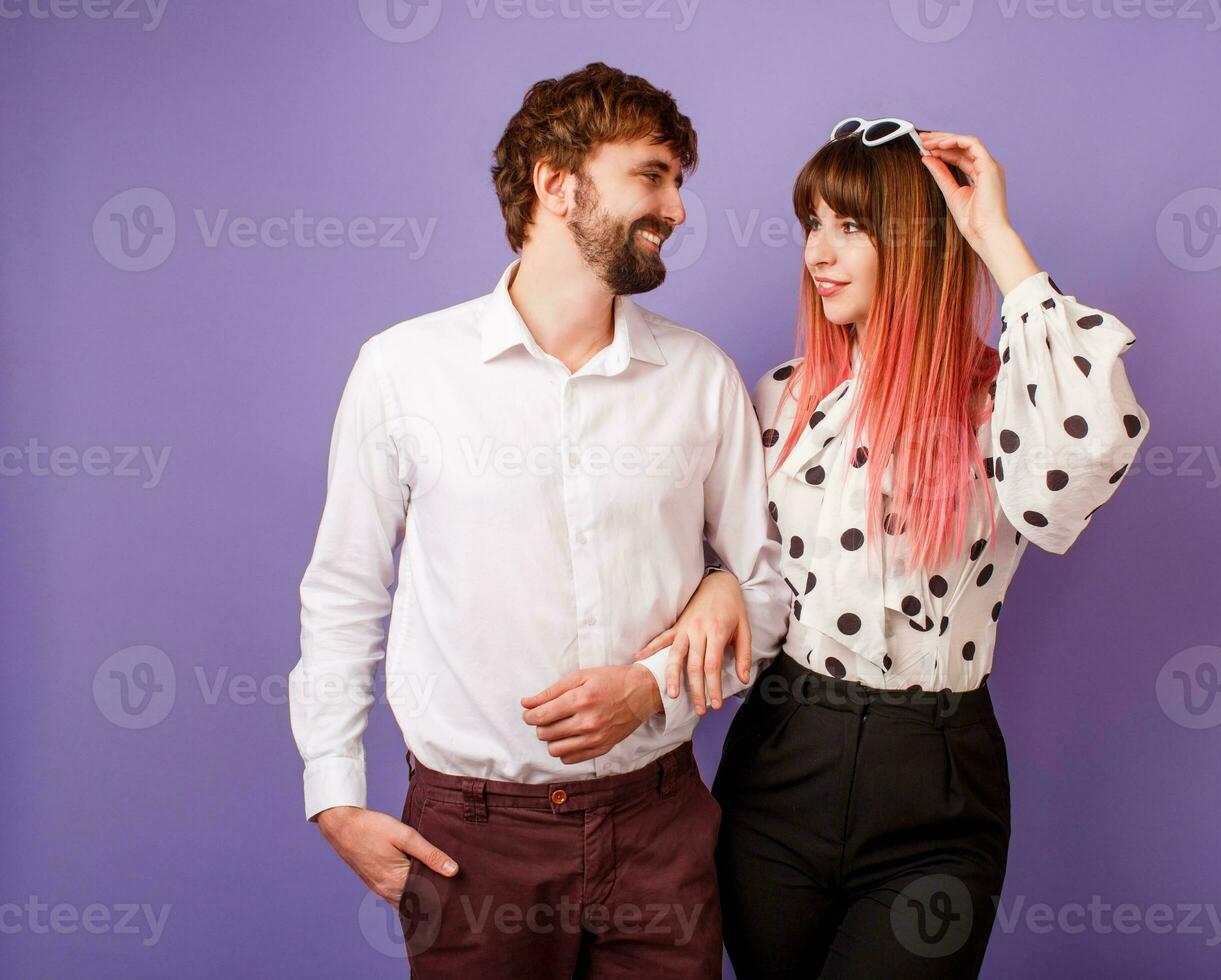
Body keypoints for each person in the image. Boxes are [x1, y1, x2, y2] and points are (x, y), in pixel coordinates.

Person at [288, 63, 784, 978]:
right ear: (557, 183)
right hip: (472, 843)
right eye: (653, 175)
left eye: (680, 182)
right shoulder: (404, 371)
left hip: (661, 826)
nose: (677, 207)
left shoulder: (702, 377)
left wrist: (653, 683)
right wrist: (333, 795)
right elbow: (346, 588)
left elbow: (765, 590)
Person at [638, 117, 1152, 977]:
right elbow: (716, 565)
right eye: (812, 224)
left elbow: (1088, 449)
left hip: (937, 783)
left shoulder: (1000, 400)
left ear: (919, 244)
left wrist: (992, 234)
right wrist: (718, 584)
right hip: (781, 764)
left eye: (851, 226)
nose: (819, 253)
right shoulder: (778, 400)